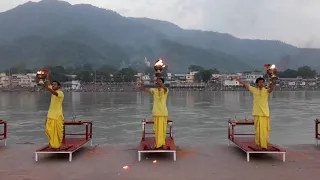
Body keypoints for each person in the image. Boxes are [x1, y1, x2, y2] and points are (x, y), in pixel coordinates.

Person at [232, 77, 274, 149]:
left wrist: (273, 82)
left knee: (265, 130)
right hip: (257, 113)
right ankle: (258, 144)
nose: (261, 83)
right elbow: (245, 85)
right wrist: (238, 79)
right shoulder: (254, 90)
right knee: (258, 130)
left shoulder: (266, 91)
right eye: (260, 82)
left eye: (262, 82)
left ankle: (264, 144)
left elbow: (271, 89)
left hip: (265, 114)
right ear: (257, 83)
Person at [138, 78, 169, 149]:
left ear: (161, 82)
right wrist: (142, 85)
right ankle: (158, 144)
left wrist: (160, 82)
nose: (156, 83)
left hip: (163, 113)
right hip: (156, 113)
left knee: (162, 130)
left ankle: (160, 145)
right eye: (156, 82)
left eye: (157, 82)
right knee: (157, 130)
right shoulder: (154, 90)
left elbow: (165, 89)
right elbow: (144, 89)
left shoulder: (165, 90)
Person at [40, 75, 65, 150]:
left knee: (58, 132)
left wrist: (45, 87)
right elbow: (49, 85)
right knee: (50, 131)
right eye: (53, 84)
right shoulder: (52, 89)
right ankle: (53, 144)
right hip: (50, 115)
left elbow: (53, 92)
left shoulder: (60, 93)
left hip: (57, 116)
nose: (53, 85)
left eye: (55, 84)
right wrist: (47, 77)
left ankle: (59, 145)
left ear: (59, 86)